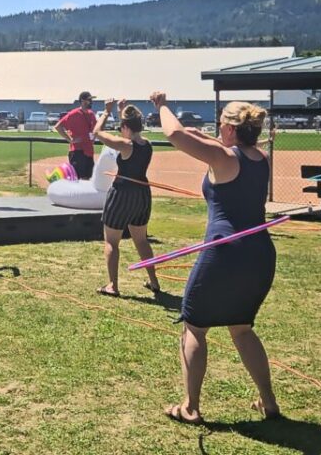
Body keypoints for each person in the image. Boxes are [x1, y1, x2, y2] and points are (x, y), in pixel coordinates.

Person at [153, 93, 280, 426]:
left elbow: (175, 135)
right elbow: (201, 138)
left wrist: (161, 106)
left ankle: (190, 407)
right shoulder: (261, 157)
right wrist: (209, 135)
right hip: (260, 254)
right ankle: (268, 402)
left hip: (225, 253)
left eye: (221, 121)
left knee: (195, 327)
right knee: (242, 329)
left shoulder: (223, 158)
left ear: (229, 128)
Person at [91, 99, 161, 297]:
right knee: (141, 241)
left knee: (112, 241)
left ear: (125, 127)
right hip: (141, 194)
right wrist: (123, 110)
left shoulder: (125, 145)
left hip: (122, 194)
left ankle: (113, 285)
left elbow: (97, 132)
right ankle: (154, 282)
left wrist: (106, 112)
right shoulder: (147, 144)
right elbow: (131, 129)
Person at [55, 91, 98, 179]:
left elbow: (95, 129)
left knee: (88, 179)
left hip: (89, 151)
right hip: (78, 152)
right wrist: (70, 140)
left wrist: (93, 138)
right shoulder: (74, 114)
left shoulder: (92, 114)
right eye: (89, 100)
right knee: (77, 180)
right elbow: (58, 126)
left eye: (91, 100)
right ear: (82, 101)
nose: (91, 102)